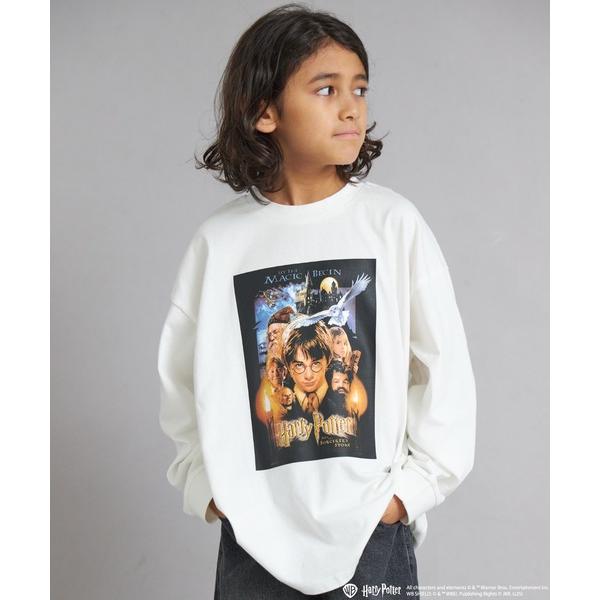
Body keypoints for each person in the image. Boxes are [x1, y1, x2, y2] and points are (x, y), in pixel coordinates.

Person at [157, 4, 476, 598]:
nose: (351, 107)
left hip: (370, 534)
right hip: (253, 537)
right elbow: (180, 378)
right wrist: (206, 486)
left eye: (360, 88)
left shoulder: (391, 224)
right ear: (265, 111)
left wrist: (409, 493)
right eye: (326, 89)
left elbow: (443, 367)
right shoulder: (220, 243)